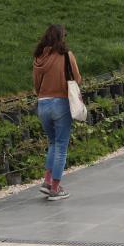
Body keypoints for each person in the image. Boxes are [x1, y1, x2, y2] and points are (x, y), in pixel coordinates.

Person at [32, 24, 81, 201]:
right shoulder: (66, 55)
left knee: (52, 143)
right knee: (61, 146)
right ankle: (55, 188)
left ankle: (47, 181)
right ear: (61, 38)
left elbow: (36, 84)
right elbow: (77, 78)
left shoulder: (38, 57)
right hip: (60, 102)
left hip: (42, 104)